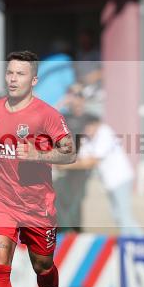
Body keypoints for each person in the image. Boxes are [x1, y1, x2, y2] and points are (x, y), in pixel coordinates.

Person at [0, 50, 76, 287]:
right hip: (2, 198)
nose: (13, 78)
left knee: (43, 266)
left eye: (20, 74)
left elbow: (70, 153)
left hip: (37, 206)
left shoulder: (47, 114)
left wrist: (38, 155)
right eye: (10, 72)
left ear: (34, 80)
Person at [66, 114, 143, 236]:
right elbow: (80, 157)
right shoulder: (89, 138)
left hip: (121, 179)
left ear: (96, 125)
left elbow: (92, 161)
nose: (86, 130)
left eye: (88, 127)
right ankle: (137, 240)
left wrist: (66, 166)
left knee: (124, 215)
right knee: (117, 215)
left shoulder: (105, 133)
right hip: (110, 183)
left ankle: (137, 241)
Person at [54, 85, 91, 231]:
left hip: (79, 166)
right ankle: (63, 232)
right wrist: (62, 102)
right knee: (60, 198)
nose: (75, 98)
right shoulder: (65, 117)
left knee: (76, 200)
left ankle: (75, 232)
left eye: (78, 95)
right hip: (64, 165)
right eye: (72, 94)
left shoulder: (88, 118)